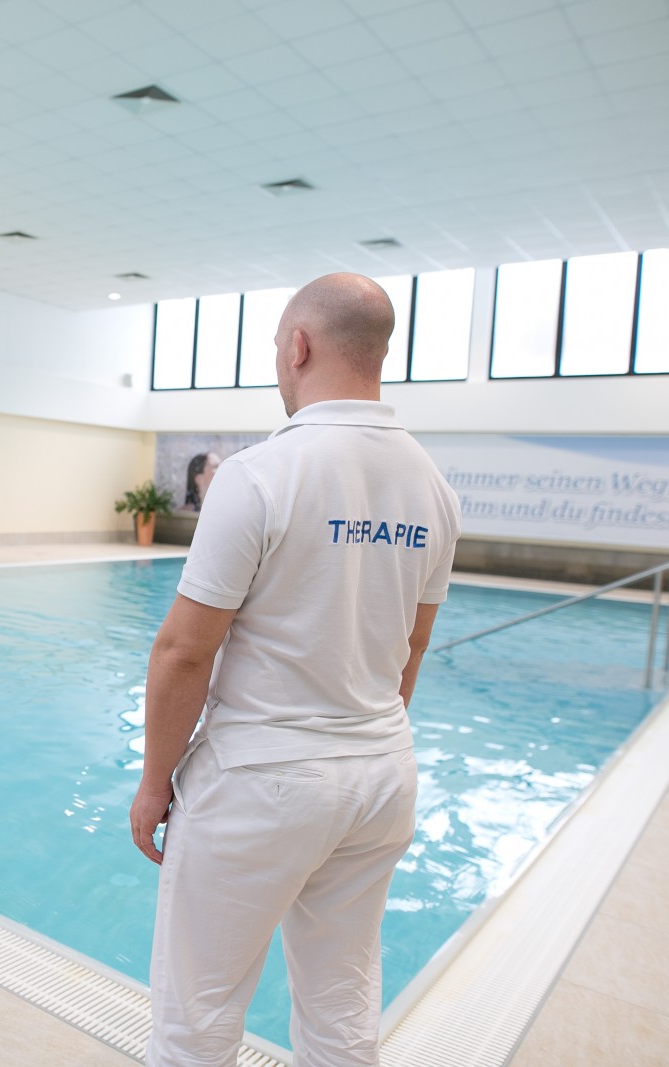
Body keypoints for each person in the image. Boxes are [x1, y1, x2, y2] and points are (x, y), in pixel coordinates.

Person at [130, 273, 461, 1067]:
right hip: (380, 776)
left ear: (299, 345)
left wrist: (153, 782)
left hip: (263, 779)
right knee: (341, 1001)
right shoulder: (434, 488)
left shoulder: (260, 474)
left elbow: (184, 649)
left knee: (198, 1013)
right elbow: (409, 653)